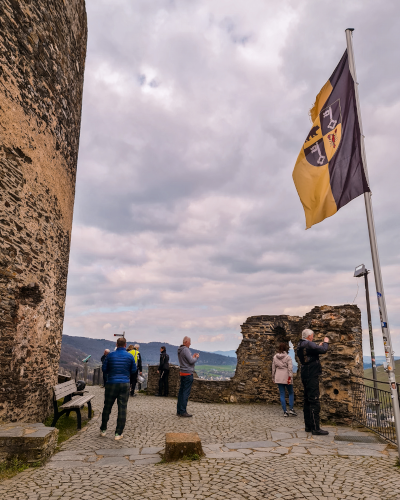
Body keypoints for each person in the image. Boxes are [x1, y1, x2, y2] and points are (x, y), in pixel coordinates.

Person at [100, 337, 136, 440]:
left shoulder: (110, 355)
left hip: (111, 383)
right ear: (125, 345)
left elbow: (104, 369)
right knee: (122, 408)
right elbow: (133, 370)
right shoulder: (129, 357)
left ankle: (103, 429)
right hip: (124, 383)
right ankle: (118, 433)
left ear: (117, 344)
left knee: (107, 406)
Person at [297, 328, 329, 435]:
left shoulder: (300, 344)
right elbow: (323, 350)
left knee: (307, 400)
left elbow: (312, 353)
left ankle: (308, 426)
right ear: (309, 336)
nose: (313, 337)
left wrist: (318, 347)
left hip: (305, 373)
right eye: (313, 336)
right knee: (314, 400)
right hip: (312, 374)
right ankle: (316, 428)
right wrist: (325, 342)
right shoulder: (309, 344)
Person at [272, 342, 297, 417]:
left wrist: (273, 377)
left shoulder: (275, 357)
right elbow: (290, 368)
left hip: (278, 376)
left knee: (282, 394)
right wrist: (290, 378)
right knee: (290, 392)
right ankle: (291, 409)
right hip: (286, 376)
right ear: (286, 349)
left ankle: (285, 411)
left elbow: (273, 369)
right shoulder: (288, 357)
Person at [177, 336, 199, 417]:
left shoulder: (180, 349)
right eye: (189, 342)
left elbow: (186, 360)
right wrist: (196, 358)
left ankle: (179, 410)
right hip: (188, 373)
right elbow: (190, 361)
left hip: (182, 372)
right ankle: (183, 411)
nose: (190, 343)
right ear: (186, 342)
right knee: (185, 393)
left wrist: (192, 357)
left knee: (181, 392)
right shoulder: (186, 349)